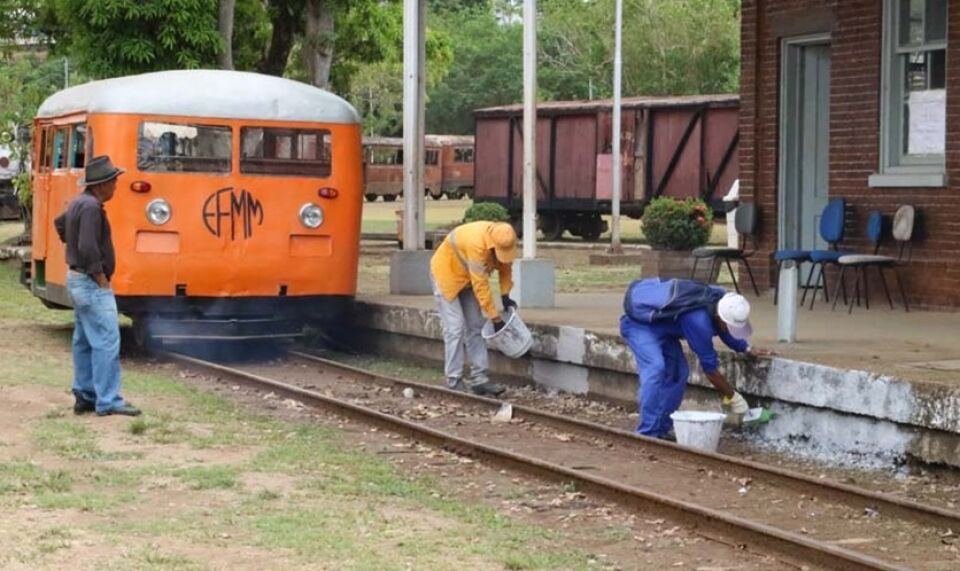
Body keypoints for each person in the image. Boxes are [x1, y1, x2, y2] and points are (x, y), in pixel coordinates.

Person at [620, 278, 773, 440]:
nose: (732, 329)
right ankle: (646, 434)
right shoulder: (698, 322)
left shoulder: (720, 298)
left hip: (663, 329)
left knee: (680, 373)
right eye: (730, 325)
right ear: (719, 317)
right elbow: (710, 370)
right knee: (656, 368)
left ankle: (661, 429)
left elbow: (725, 330)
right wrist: (734, 398)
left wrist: (746, 348)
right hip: (639, 326)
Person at [54, 155, 141, 417]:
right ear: (102, 184)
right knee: (106, 340)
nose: (115, 186)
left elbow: (60, 224)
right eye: (113, 182)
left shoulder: (79, 202)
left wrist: (73, 252)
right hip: (91, 283)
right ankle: (108, 400)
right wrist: (100, 276)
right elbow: (88, 246)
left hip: (76, 279)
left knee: (83, 339)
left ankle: (84, 393)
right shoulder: (92, 207)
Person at [430, 220, 519, 397]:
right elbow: (481, 286)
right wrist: (495, 318)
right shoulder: (476, 244)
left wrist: (505, 294)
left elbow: (505, 267)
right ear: (492, 245)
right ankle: (454, 380)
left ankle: (480, 379)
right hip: (447, 276)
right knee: (454, 328)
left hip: (467, 279)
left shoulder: (503, 238)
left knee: (475, 326)